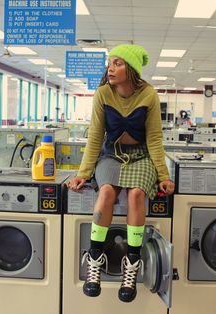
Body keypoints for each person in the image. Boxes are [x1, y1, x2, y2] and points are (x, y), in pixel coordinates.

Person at [67, 44, 175, 303]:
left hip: (141, 157)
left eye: (118, 63)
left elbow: (155, 138)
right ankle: (95, 261)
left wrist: (163, 175)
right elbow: (95, 136)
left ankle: (132, 263)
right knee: (105, 191)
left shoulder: (148, 94)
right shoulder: (103, 93)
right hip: (111, 155)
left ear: (132, 69)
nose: (111, 68)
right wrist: (83, 172)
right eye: (110, 63)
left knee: (137, 194)